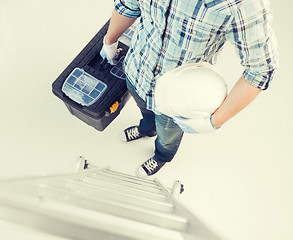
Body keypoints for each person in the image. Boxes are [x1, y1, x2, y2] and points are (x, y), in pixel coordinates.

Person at [100, 0, 279, 177]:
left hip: (179, 98)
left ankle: (162, 155)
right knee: (145, 111)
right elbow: (127, 6)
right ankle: (147, 129)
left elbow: (261, 68)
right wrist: (110, 41)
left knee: (168, 135)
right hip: (137, 70)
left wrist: (214, 122)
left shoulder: (243, 4)